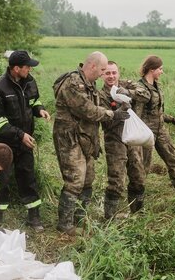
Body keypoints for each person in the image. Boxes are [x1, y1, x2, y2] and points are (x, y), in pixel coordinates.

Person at [53, 52, 130, 235]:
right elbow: (87, 110)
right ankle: (65, 224)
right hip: (69, 138)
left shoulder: (90, 84)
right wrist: (112, 114)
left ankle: (80, 219)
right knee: (75, 179)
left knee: (88, 179)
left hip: (85, 137)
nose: (104, 74)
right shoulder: (73, 83)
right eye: (103, 70)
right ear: (93, 66)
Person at [0, 50, 51, 232]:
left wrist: (40, 110)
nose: (30, 69)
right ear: (16, 68)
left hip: (25, 142)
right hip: (4, 145)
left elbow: (34, 101)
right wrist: (20, 135)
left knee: (28, 177)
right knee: (1, 180)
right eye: (27, 66)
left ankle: (34, 217)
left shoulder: (29, 81)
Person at [99, 61, 147, 218]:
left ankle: (138, 213)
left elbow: (145, 94)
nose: (111, 76)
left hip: (132, 137)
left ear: (118, 73)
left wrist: (127, 92)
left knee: (138, 176)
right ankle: (109, 217)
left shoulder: (126, 84)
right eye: (107, 73)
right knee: (117, 179)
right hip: (114, 138)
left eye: (114, 72)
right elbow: (103, 120)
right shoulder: (100, 95)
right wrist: (117, 112)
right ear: (102, 75)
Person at [134, 55, 175, 188]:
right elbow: (136, 115)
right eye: (160, 69)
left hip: (160, 129)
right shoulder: (140, 89)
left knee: (173, 158)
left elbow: (158, 111)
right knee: (143, 165)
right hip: (146, 132)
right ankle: (138, 193)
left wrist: (174, 120)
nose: (162, 72)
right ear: (152, 70)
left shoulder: (157, 86)